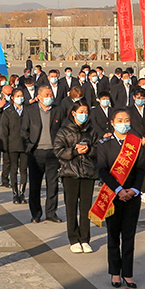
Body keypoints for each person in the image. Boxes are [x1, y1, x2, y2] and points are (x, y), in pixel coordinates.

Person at [93, 107, 145, 289]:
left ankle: (128, 274)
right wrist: (118, 189)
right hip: (113, 196)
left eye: (126, 120)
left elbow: (142, 169)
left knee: (129, 236)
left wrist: (134, 189)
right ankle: (115, 273)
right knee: (113, 236)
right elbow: (102, 170)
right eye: (120, 120)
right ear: (112, 123)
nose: (123, 123)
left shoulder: (136, 143)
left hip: (132, 195)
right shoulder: (104, 144)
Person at [54, 101, 97, 254]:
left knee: (86, 208)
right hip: (69, 174)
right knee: (71, 207)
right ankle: (73, 238)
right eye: (81, 111)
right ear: (73, 113)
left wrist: (89, 150)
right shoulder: (64, 131)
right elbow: (58, 150)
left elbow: (99, 149)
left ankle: (85, 239)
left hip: (88, 173)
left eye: (86, 112)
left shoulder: (92, 131)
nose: (83, 114)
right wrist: (74, 151)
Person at [22, 86, 64, 224]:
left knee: (53, 185)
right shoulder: (30, 110)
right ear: (39, 96)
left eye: (51, 94)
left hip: (53, 153)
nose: (49, 97)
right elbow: (24, 130)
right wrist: (29, 146)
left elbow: (62, 130)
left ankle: (51, 212)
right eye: (46, 94)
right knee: (35, 185)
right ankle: (36, 213)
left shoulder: (58, 110)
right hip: (36, 153)